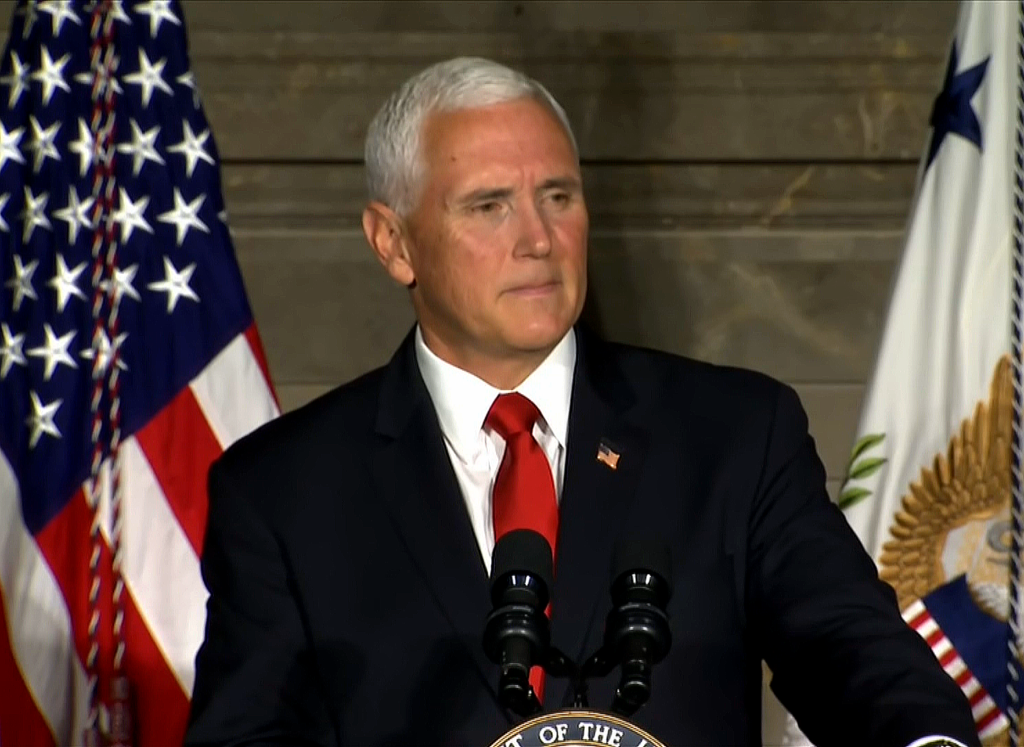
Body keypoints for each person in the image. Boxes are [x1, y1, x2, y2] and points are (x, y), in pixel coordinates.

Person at [184, 57, 980, 747]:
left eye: (558, 196)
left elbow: (849, 648)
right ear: (393, 242)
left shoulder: (734, 435)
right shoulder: (284, 491)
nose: (538, 237)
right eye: (489, 204)